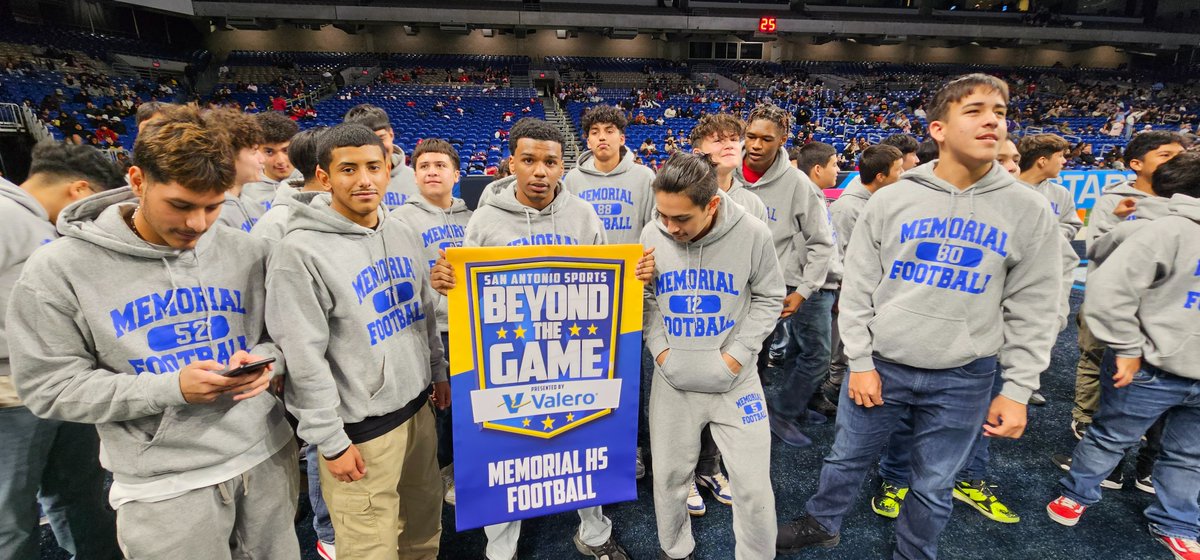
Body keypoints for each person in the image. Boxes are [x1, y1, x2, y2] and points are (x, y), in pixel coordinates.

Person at [776, 74, 1061, 559]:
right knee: (845, 458)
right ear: (938, 129)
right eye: (974, 110)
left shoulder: (1029, 210)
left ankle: (914, 551)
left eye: (1000, 109)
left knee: (935, 483)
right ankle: (823, 522)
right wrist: (861, 362)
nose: (992, 118)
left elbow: (1037, 305)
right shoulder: (893, 199)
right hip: (884, 364)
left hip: (966, 374)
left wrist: (1017, 388)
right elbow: (860, 286)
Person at [8, 105, 300, 559]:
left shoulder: (249, 249)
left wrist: (266, 362)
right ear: (138, 180)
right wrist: (170, 388)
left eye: (213, 206)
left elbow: (280, 337)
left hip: (265, 456)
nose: (197, 224)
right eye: (181, 205)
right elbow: (48, 387)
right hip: (163, 486)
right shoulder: (59, 268)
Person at [430, 118, 650, 560]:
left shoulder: (583, 214)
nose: (540, 172)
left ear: (561, 166)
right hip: (508, 360)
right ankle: (501, 547)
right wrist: (445, 283)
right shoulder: (486, 221)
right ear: (511, 162)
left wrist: (637, 276)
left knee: (586, 443)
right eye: (529, 160)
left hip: (574, 356)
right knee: (501, 450)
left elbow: (612, 285)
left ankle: (594, 533)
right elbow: (462, 295)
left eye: (550, 162)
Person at [266, 123, 447, 560]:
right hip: (359, 433)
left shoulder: (402, 232)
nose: (364, 179)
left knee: (423, 532)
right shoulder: (300, 252)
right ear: (325, 177)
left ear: (389, 170)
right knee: (369, 549)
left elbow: (423, 315)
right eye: (348, 169)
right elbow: (302, 358)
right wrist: (329, 441)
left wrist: (438, 373)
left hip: (417, 413)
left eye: (373, 167)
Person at [1048, 151, 1200, 560]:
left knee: (1190, 454)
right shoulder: (1163, 229)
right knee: (1112, 435)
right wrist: (1129, 348)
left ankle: (1178, 522)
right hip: (1150, 366)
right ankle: (1078, 492)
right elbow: (1105, 289)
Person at [642, 152, 785, 560]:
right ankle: (676, 549)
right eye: (663, 215)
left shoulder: (753, 232)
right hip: (673, 383)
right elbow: (647, 298)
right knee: (669, 479)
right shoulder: (651, 234)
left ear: (713, 204)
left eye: (682, 218)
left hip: (735, 384)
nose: (670, 227)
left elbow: (770, 296)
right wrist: (662, 351)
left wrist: (737, 356)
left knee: (754, 485)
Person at [1, 141, 125, 560]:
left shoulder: (37, 222)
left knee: (75, 494)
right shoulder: (6, 214)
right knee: (10, 517)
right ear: (80, 190)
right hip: (10, 394)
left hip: (59, 383)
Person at [1070, 131, 1185, 442]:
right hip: (1109, 301)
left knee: (1153, 372)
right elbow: (1099, 250)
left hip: (1160, 307)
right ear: (1136, 163)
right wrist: (1126, 224)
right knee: (1095, 359)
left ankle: (1145, 431)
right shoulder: (1114, 200)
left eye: (1179, 155)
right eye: (1166, 155)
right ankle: (1086, 417)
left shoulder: (1186, 201)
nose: (1177, 160)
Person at [736, 105, 835, 448]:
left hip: (769, 293)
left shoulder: (798, 185)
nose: (757, 145)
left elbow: (822, 242)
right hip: (728, 290)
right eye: (750, 136)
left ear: (782, 140)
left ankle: (765, 423)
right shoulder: (724, 172)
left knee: (758, 363)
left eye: (766, 139)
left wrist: (805, 290)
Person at [390, 138, 472, 507]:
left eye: (440, 165)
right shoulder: (399, 220)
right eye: (424, 166)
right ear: (414, 173)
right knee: (442, 405)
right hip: (433, 328)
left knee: (469, 404)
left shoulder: (473, 217)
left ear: (456, 173)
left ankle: (464, 467)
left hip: (473, 327)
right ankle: (441, 473)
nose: (432, 171)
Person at [769, 141, 842, 441]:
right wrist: (804, 287)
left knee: (799, 352)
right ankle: (783, 412)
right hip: (810, 286)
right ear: (817, 168)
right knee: (817, 356)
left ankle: (794, 411)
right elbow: (804, 245)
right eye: (835, 164)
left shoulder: (813, 193)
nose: (838, 169)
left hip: (811, 284)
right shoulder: (806, 193)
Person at [565, 104, 656, 246]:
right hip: (587, 265)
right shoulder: (572, 179)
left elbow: (653, 229)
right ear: (588, 142)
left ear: (622, 139)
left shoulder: (645, 177)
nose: (602, 137)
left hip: (632, 265)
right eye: (595, 132)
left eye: (609, 131)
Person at [250, 126, 329, 243]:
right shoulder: (275, 223)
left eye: (285, 150)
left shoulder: (352, 209)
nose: (280, 161)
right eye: (348, 169)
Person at [210, 108, 267, 233]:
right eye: (254, 151)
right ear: (228, 155)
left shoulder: (252, 203)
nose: (262, 159)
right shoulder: (212, 217)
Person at [241, 111, 300, 213]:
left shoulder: (313, 181)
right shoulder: (246, 191)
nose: (280, 161)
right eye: (269, 152)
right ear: (255, 151)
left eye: (286, 150)